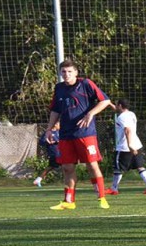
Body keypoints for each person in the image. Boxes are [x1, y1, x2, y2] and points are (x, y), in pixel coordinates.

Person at [45, 59, 111, 210]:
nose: (66, 74)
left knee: (91, 165)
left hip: (85, 133)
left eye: (69, 71)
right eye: (63, 72)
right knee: (67, 167)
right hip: (66, 134)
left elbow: (105, 101)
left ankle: (101, 198)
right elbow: (55, 110)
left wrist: (90, 114)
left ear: (76, 72)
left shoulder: (86, 84)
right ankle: (69, 201)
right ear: (60, 73)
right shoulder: (59, 88)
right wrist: (49, 129)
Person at [105, 98, 146, 195]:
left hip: (125, 147)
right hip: (137, 144)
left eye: (116, 104)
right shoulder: (131, 114)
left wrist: (130, 145)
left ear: (120, 105)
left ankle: (114, 189)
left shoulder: (121, 117)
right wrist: (109, 104)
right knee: (140, 167)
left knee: (118, 168)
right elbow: (118, 111)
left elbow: (127, 130)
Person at [33, 121, 60, 187]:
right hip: (54, 153)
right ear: (55, 125)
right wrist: (48, 142)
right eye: (58, 124)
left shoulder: (59, 132)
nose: (59, 125)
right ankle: (38, 179)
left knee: (55, 166)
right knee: (52, 166)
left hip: (60, 152)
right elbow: (41, 142)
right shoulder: (48, 133)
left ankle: (38, 179)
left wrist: (58, 141)